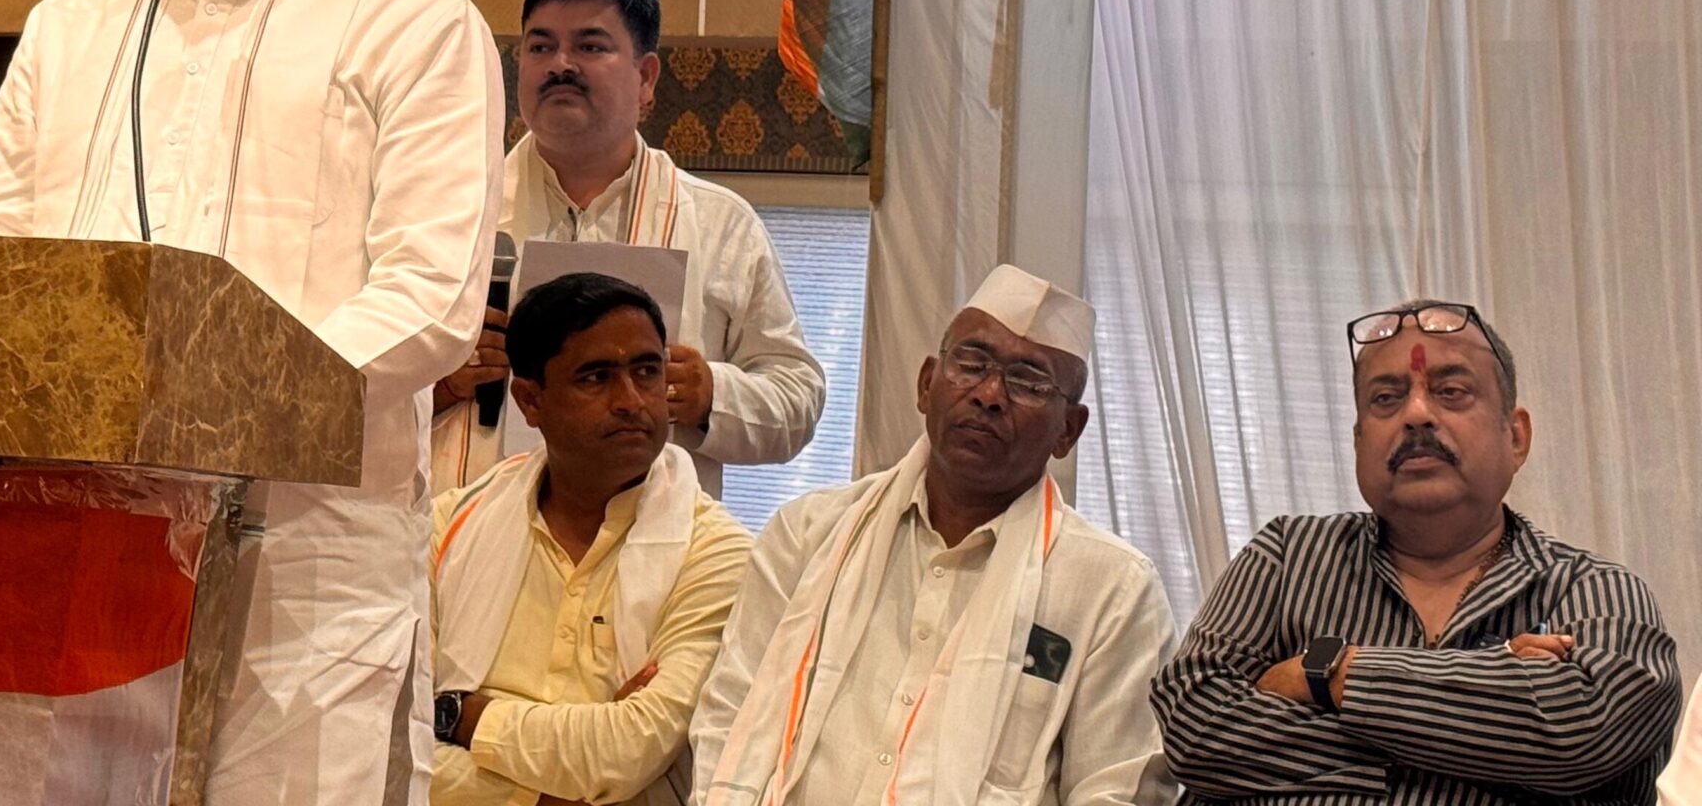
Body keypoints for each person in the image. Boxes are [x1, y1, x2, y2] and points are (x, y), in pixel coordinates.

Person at [0, 0, 505, 804]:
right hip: (76, 540)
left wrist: (198, 407)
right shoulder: (74, 21)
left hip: (302, 572)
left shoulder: (413, 21)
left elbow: (429, 300)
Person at [1151, 298, 1682, 806]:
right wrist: (1490, 706)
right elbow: (1194, 728)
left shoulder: (1594, 588)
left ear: (1516, 436)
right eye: (1386, 398)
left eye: (1451, 391)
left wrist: (1330, 673)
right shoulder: (1287, 556)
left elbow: (1580, 732)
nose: (1418, 414)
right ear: (1358, 441)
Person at [691, 265, 1174, 806]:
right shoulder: (808, 533)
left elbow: (1116, 790)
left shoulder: (1113, 590)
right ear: (926, 384)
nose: (989, 394)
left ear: (1068, 430)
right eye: (971, 364)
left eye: (1029, 383)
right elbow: (727, 716)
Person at [431, 0, 824, 496]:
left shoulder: (719, 222)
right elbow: (356, 389)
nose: (560, 65)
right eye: (540, 47)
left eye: (590, 46)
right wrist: (440, 382)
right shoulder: (448, 208)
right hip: (472, 523)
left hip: (653, 535)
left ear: (645, 78)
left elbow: (797, 399)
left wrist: (710, 394)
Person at [429, 272, 751, 806]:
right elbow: (395, 732)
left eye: (646, 371)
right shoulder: (449, 528)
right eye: (596, 377)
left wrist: (457, 714)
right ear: (531, 401)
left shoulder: (716, 553)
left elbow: (628, 751)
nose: (631, 400)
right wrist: (544, 799)